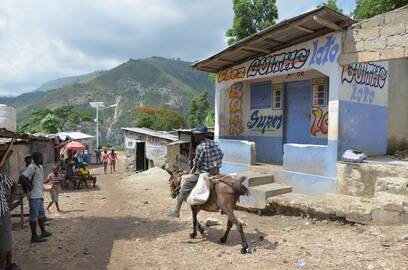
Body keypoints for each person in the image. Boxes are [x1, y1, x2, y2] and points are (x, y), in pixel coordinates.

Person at [167, 125, 223, 218]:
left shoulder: (200, 147)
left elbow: (197, 162)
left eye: (198, 134)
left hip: (204, 173)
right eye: (196, 134)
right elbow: (221, 154)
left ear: (203, 135)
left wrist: (194, 168)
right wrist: (215, 164)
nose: (196, 136)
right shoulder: (215, 143)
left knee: (184, 185)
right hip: (216, 171)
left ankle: (176, 211)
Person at [20, 152, 52, 243]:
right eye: (41, 157)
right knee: (33, 216)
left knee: (41, 214)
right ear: (36, 158)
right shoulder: (31, 167)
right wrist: (29, 186)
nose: (42, 159)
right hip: (34, 196)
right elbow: (22, 177)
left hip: (39, 194)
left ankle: (43, 232)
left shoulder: (39, 167)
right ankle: (34, 237)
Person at [0, 173, 20, 270]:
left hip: (2, 215)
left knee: (5, 244)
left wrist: (9, 203)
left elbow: (14, 185)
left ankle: (8, 265)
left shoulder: (1, 176)